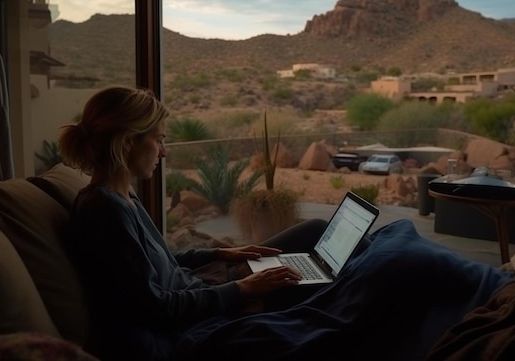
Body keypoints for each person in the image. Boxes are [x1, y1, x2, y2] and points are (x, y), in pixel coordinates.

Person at [58, 85, 339, 361]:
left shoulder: (123, 196)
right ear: (128, 140)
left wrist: (219, 253)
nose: (163, 152)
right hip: (188, 328)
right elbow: (154, 307)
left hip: (200, 290)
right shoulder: (103, 210)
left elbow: (160, 262)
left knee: (315, 230)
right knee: (333, 285)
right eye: (159, 140)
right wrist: (243, 290)